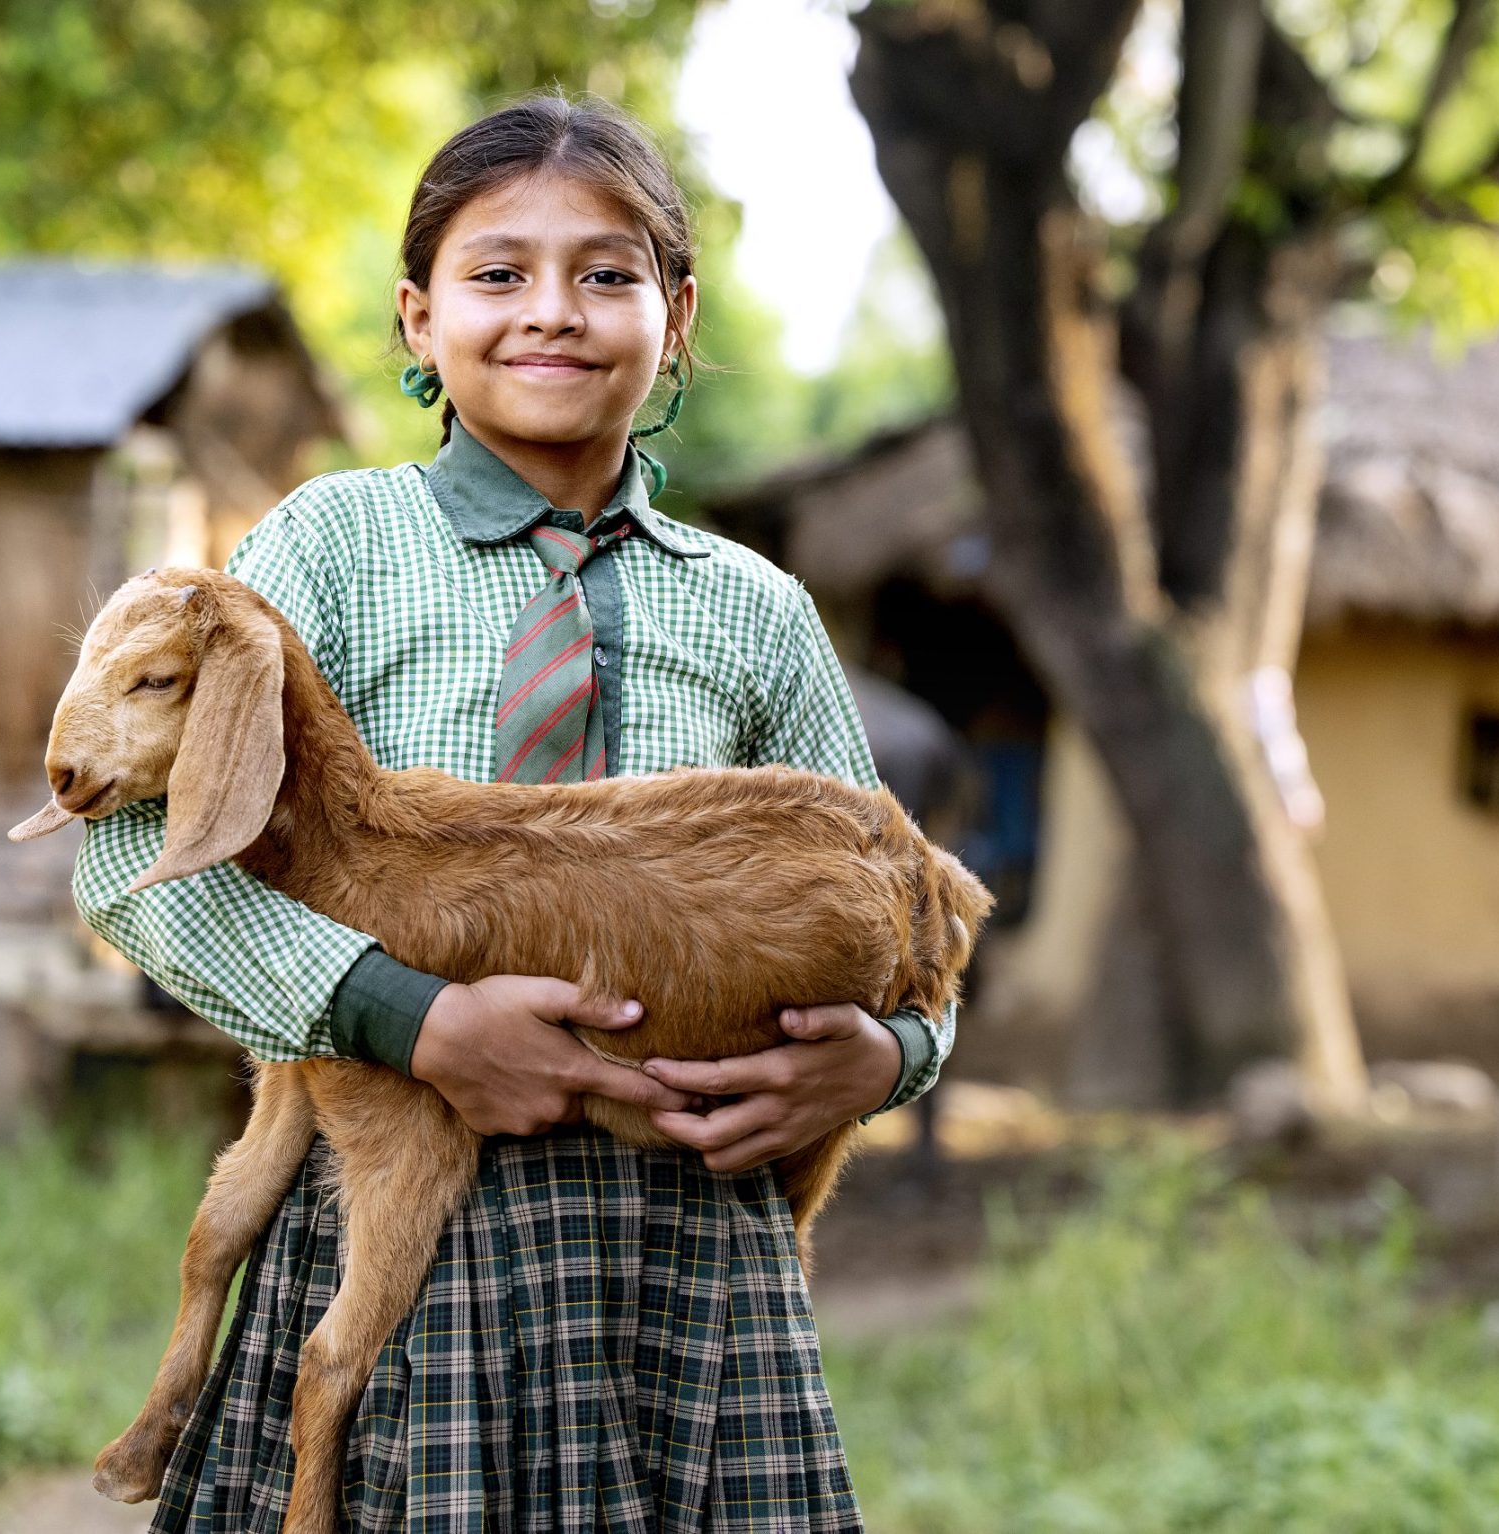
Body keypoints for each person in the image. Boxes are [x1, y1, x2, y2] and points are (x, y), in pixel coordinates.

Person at [74, 89, 956, 1534]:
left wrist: (884, 1056)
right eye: (499, 275)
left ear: (674, 318)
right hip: (405, 1241)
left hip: (685, 1269)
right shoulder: (328, 550)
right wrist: (402, 1015)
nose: (552, 312)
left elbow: (909, 919)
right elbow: (132, 865)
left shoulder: (756, 612)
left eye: (605, 275)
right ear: (420, 319)